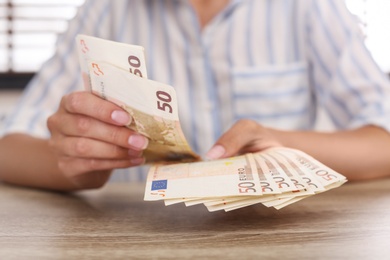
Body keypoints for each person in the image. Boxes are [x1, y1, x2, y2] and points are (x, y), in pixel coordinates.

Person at [1, 0, 390, 191]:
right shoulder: (107, 9)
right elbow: (9, 148)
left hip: (274, 238)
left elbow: (384, 138)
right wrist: (75, 161)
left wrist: (283, 146)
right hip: (134, 240)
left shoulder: (308, 6)